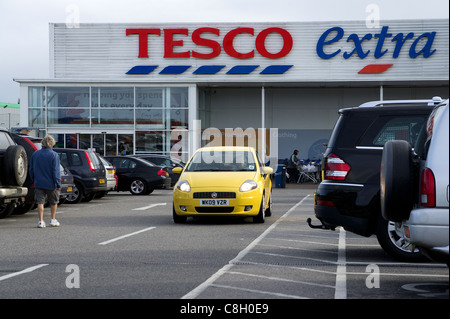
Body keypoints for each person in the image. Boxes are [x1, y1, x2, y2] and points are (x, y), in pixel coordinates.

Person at [29, 135, 61, 228]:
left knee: (40, 202)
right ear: (52, 144)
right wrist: (58, 183)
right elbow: (56, 171)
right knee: (54, 202)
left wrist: (34, 180)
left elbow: (31, 169)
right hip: (51, 183)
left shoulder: (35, 154)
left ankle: (41, 221)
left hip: (38, 182)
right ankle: (52, 219)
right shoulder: (54, 155)